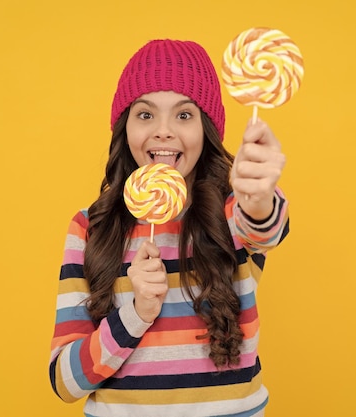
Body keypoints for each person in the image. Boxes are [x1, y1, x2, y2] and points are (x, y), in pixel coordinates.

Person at [49, 38, 289, 417]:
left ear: (206, 128)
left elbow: (265, 228)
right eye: (145, 115)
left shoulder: (232, 214)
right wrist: (136, 313)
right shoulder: (90, 228)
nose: (163, 131)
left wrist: (258, 196)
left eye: (183, 115)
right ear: (123, 127)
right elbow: (65, 382)